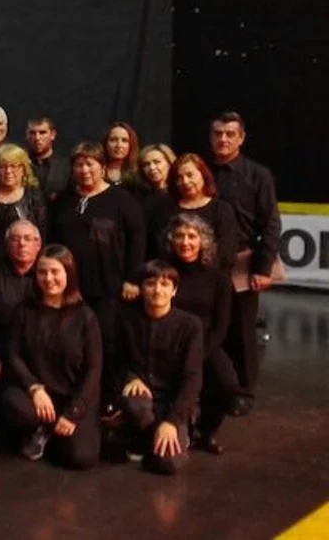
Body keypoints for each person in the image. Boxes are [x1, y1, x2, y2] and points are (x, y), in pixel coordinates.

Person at [49, 141, 145, 410]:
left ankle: (107, 399)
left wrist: (132, 279)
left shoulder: (122, 200)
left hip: (108, 287)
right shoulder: (63, 200)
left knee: (106, 343)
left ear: (102, 167)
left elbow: (138, 241)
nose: (84, 169)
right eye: (79, 164)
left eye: (90, 163)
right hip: (68, 287)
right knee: (69, 342)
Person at [2, 245, 102, 469]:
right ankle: (39, 428)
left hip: (72, 396)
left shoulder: (86, 317)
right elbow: (13, 354)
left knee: (81, 458)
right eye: (42, 272)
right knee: (13, 404)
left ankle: (50, 433)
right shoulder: (24, 311)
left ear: (69, 274)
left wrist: (73, 413)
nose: (48, 278)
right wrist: (34, 388)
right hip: (36, 395)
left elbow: (93, 370)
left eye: (55, 272)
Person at [207, 111, 280, 416]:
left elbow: (271, 224)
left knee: (243, 331)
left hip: (242, 262)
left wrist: (262, 269)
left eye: (230, 134)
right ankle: (216, 387)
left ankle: (244, 392)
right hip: (207, 264)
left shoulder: (258, 175)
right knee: (214, 328)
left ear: (241, 138)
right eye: (218, 133)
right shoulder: (201, 171)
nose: (223, 139)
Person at [115, 261, 203, 475]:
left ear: (174, 290)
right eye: (150, 284)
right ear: (141, 288)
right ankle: (148, 435)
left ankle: (156, 437)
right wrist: (131, 377)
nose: (157, 290)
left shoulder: (190, 325)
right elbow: (117, 360)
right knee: (133, 400)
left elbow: (192, 378)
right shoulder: (126, 319)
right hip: (142, 401)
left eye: (165, 284)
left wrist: (171, 422)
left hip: (174, 402)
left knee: (167, 464)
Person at [164, 214, 236, 453]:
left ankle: (206, 432)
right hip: (168, 344)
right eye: (179, 236)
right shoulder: (163, 273)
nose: (185, 242)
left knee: (227, 384)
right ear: (171, 240)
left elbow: (221, 326)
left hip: (206, 345)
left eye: (191, 236)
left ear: (202, 241)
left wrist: (198, 355)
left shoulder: (218, 279)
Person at [148, 153, 240, 270]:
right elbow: (158, 248)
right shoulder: (165, 209)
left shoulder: (221, 209)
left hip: (212, 274)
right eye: (179, 178)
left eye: (190, 175)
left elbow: (227, 252)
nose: (185, 181)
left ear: (203, 175)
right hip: (172, 274)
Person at [0, 143, 48, 253]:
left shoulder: (35, 197)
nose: (8, 171)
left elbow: (42, 234)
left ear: (24, 168)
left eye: (14, 166)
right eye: (2, 167)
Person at [0, 219, 42, 318]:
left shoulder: (48, 272)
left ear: (38, 244)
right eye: (15, 239)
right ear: (7, 245)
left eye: (27, 238)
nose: (22, 244)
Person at [25, 116, 69, 201]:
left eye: (42, 132)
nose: (37, 138)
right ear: (27, 135)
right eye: (32, 133)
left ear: (53, 135)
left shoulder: (66, 166)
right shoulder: (19, 165)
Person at [103, 122, 140, 186]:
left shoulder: (139, 174)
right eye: (113, 140)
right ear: (106, 143)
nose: (119, 145)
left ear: (131, 145)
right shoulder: (95, 171)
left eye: (124, 140)